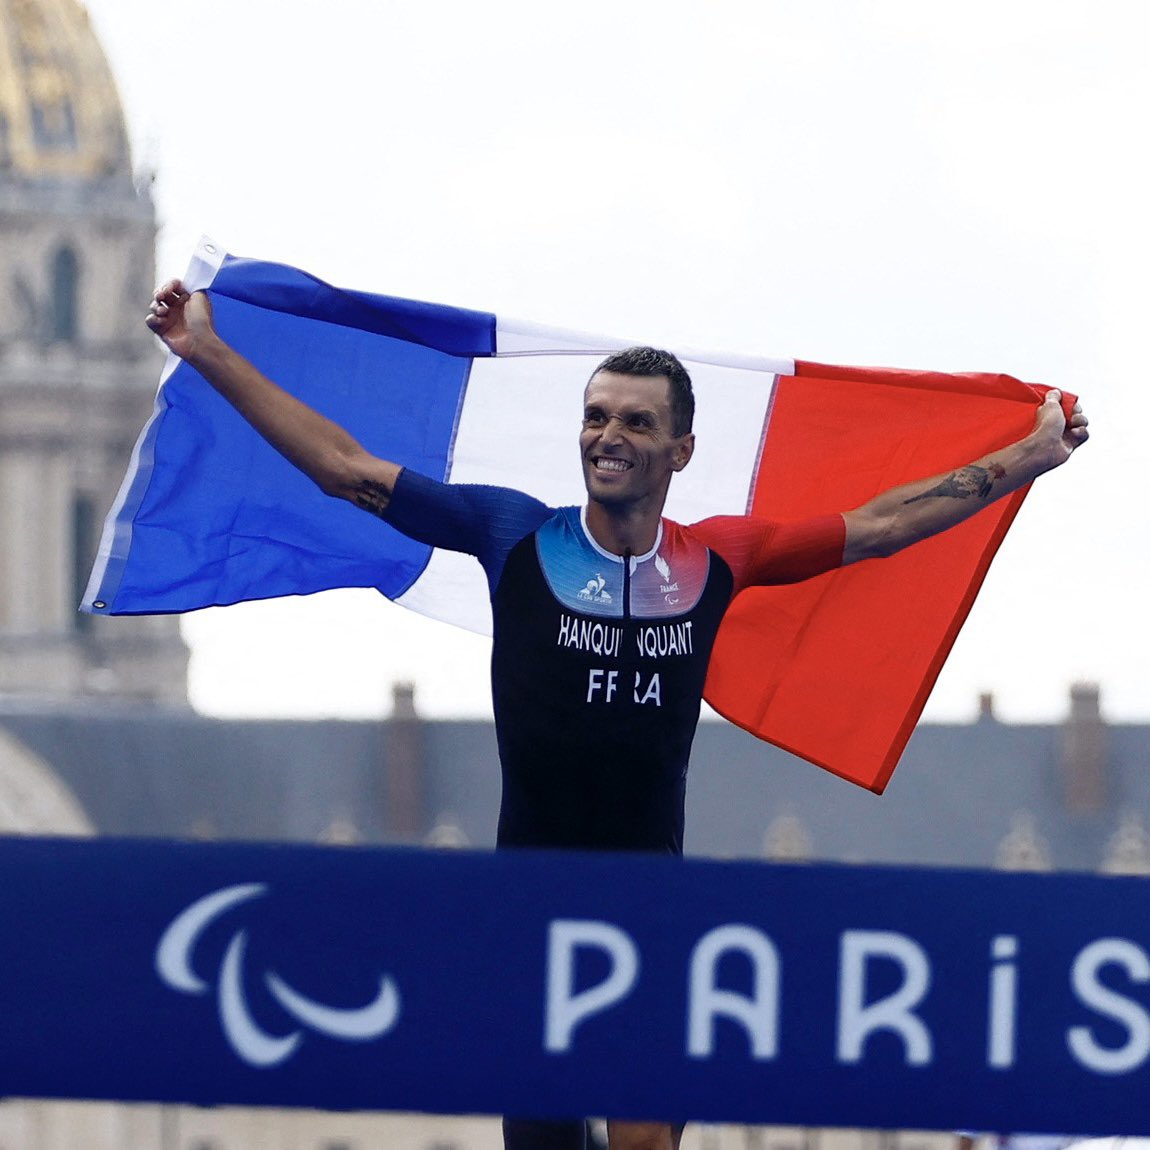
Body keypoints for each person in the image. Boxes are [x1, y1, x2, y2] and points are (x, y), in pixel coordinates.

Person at [146, 280, 1088, 1150]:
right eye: (595, 416)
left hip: (652, 911)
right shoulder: (513, 536)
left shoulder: (717, 561)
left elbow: (882, 524)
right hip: (531, 917)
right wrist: (208, 351)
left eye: (637, 422)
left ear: (680, 451)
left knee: (645, 1143)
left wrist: (1028, 455)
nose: (609, 435)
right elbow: (344, 467)